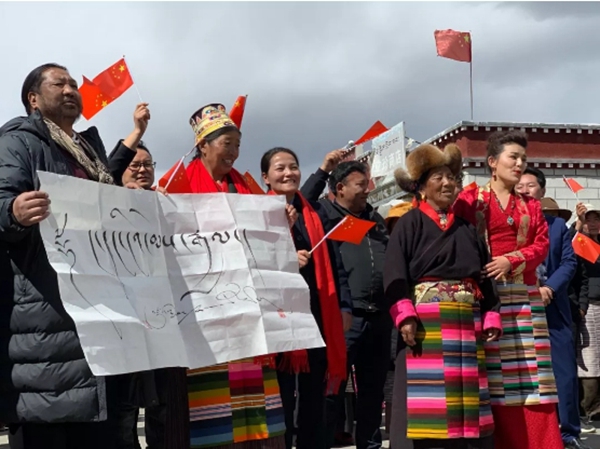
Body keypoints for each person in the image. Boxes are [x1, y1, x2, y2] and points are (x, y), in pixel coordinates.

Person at [0, 63, 149, 449]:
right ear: (33, 99)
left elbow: (106, 194)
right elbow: (2, 200)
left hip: (96, 317)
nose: (70, 89)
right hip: (46, 319)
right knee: (49, 428)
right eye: (58, 83)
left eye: (72, 84)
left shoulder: (86, 151)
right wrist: (13, 211)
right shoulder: (17, 143)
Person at [384, 142, 501, 449]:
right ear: (421, 187)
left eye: (451, 177)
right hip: (427, 326)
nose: (448, 183)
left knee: (466, 398)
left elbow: (484, 275)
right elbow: (394, 274)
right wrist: (405, 316)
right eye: (438, 177)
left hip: (466, 325)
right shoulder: (408, 224)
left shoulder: (467, 228)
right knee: (428, 401)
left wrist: (491, 312)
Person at [184, 104, 287, 449]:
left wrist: (281, 223)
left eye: (238, 145)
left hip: (247, 305)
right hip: (205, 308)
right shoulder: (178, 183)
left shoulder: (246, 186)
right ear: (203, 145)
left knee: (255, 394)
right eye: (226, 143)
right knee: (211, 400)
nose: (234, 152)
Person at [453, 130, 562, 449]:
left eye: (523, 159)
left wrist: (510, 260)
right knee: (491, 375)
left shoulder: (532, 206)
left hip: (525, 296)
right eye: (513, 157)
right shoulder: (470, 199)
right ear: (492, 162)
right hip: (485, 298)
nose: (519, 164)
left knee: (533, 377)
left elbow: (541, 245)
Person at [260, 147, 351, 449]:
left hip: (317, 314)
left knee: (315, 395)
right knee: (282, 397)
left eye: (293, 166)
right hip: (277, 319)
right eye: (280, 168)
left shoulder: (315, 213)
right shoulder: (257, 212)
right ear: (265, 177)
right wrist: (286, 257)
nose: (288, 173)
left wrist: (344, 305)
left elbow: (335, 262)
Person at [301, 157, 393, 449]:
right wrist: (323, 169)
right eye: (360, 184)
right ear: (340, 188)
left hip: (379, 318)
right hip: (345, 319)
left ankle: (370, 445)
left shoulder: (375, 219)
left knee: (373, 391)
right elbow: (301, 201)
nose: (367, 189)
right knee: (332, 390)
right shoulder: (323, 215)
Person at [107, 141, 189, 449]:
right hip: (123, 325)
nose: (143, 170)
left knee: (163, 405)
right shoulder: (104, 205)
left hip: (164, 321)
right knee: (124, 407)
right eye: (135, 165)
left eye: (148, 164)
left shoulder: (164, 204)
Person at [516, 167, 589, 449]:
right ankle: (529, 432)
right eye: (519, 185)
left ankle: (568, 432)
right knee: (522, 372)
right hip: (517, 307)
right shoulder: (508, 226)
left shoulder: (556, 226)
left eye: (530, 185)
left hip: (553, 308)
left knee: (564, 373)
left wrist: (549, 288)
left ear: (542, 191)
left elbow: (569, 263)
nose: (524, 190)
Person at [571, 204, 600, 430]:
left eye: (596, 219)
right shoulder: (577, 241)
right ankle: (590, 407)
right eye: (588, 219)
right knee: (589, 357)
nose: (593, 224)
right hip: (588, 305)